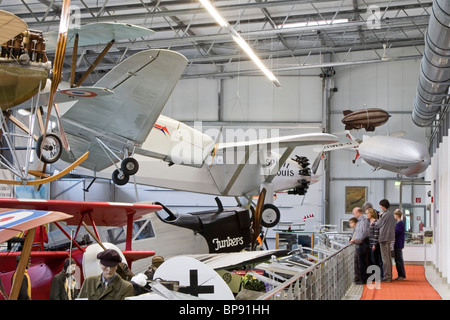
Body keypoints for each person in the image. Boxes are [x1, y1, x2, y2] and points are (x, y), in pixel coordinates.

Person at [374, 199, 396, 282]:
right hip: (389, 237)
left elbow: (378, 225)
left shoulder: (384, 214)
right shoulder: (391, 214)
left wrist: (377, 219)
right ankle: (389, 275)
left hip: (383, 238)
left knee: (385, 258)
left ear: (383, 206)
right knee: (389, 258)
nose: (380, 207)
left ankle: (387, 277)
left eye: (380, 205)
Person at [350, 207, 370, 284]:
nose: (353, 214)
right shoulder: (358, 221)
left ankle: (363, 279)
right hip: (359, 243)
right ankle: (360, 279)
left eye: (354, 213)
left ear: (359, 213)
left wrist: (357, 240)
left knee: (362, 263)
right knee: (359, 262)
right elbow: (357, 232)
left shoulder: (364, 221)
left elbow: (364, 233)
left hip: (363, 244)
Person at [367, 208, 383, 277]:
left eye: (368, 213)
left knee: (375, 260)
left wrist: (374, 244)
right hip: (369, 244)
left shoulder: (376, 222)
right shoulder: (369, 222)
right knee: (371, 260)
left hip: (374, 244)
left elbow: (376, 234)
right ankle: (373, 276)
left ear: (371, 214)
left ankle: (377, 276)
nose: (367, 215)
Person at [394, 209, 406, 280]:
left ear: (397, 215)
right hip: (398, 243)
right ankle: (400, 274)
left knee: (399, 259)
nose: (394, 216)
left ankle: (401, 275)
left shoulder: (400, 224)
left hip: (398, 243)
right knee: (398, 259)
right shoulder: (399, 223)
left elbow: (396, 232)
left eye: (395, 214)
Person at [348, 217, 360, 283]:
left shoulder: (357, 229)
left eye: (351, 223)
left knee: (357, 263)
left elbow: (356, 237)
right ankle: (357, 278)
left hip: (358, 247)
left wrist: (352, 240)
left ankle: (357, 278)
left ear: (354, 223)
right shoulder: (355, 229)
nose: (350, 224)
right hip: (357, 246)